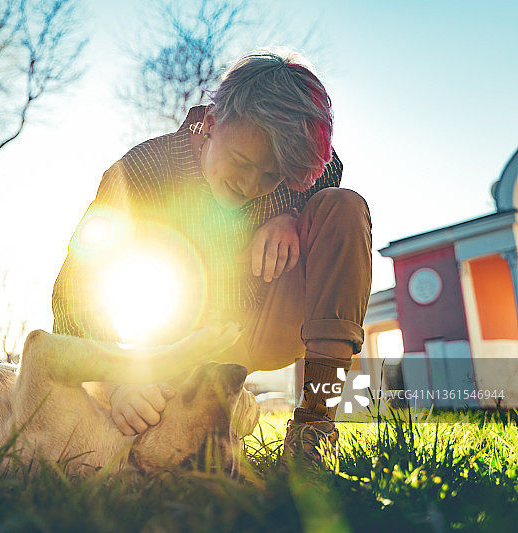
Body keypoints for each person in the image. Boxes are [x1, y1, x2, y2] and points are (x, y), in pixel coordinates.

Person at [52, 47, 372, 465]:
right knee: (168, 452)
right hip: (180, 344)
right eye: (241, 162)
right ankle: (216, 407)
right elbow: (75, 290)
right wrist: (119, 380)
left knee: (344, 207)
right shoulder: (139, 172)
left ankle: (314, 429)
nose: (251, 185)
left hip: (268, 321)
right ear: (212, 121)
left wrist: (293, 215)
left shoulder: (294, 164)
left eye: (271, 175)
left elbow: (328, 169)